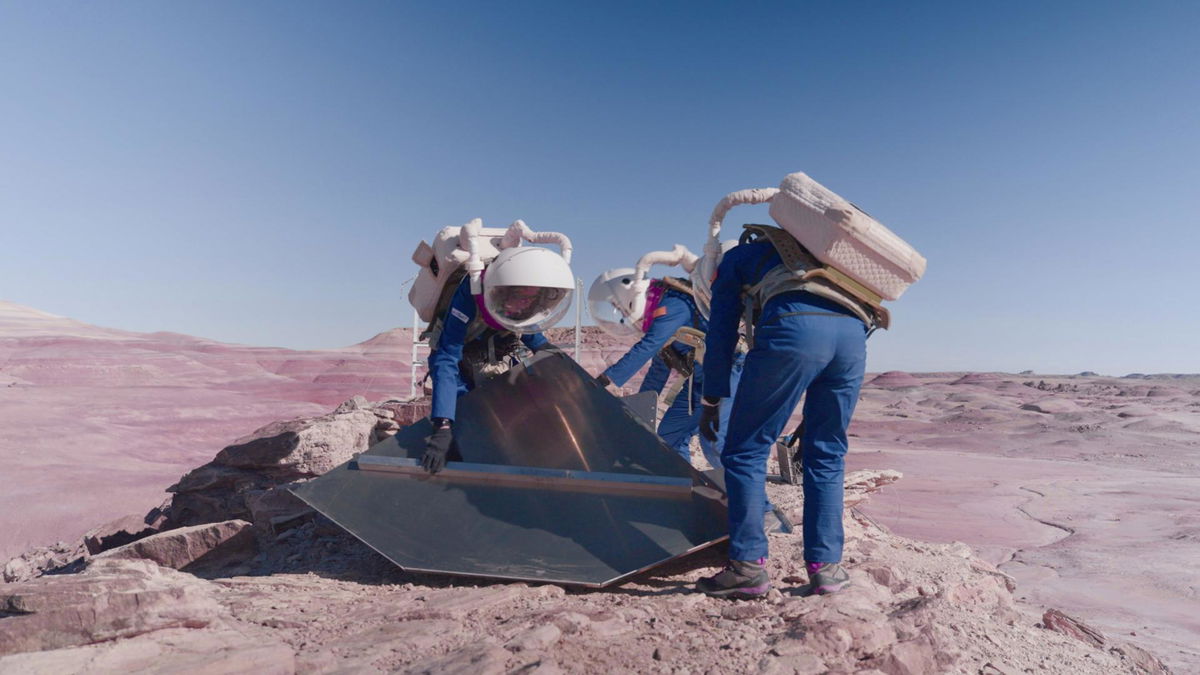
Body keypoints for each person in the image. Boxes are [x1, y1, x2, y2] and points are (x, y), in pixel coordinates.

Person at [696, 230, 874, 600]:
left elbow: (721, 331)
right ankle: (827, 570)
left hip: (794, 327)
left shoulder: (739, 257)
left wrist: (712, 397)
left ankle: (747, 568)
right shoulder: (825, 258)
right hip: (853, 339)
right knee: (826, 454)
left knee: (745, 451)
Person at [423, 246, 573, 474]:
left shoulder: (523, 302)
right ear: (503, 291)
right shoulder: (471, 293)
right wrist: (442, 426)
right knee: (465, 429)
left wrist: (559, 363)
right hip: (460, 361)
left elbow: (533, 338)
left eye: (532, 299)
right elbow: (446, 357)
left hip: (495, 357)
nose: (524, 305)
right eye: (521, 297)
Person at [588, 270, 735, 467]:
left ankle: (738, 485)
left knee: (713, 441)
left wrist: (606, 380)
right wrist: (638, 415)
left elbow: (647, 347)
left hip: (727, 373)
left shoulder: (675, 304)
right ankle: (686, 483)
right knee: (670, 437)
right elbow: (658, 371)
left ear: (630, 294)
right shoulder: (661, 320)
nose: (623, 314)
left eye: (619, 307)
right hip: (699, 383)